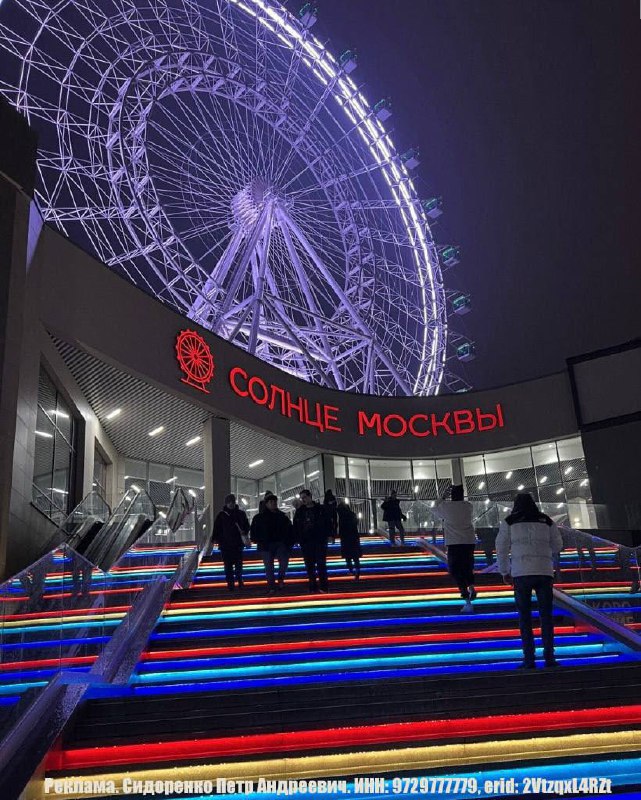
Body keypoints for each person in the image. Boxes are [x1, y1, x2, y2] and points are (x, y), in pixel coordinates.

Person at [496, 493, 563, 669]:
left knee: (524, 617)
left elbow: (501, 548)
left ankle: (529, 659)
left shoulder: (509, 521)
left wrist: (504, 571)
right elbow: (558, 545)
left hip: (521, 573)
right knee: (546, 616)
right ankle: (549, 657)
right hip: (544, 572)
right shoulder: (546, 520)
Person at [432, 485, 477, 612]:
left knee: (455, 570)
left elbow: (433, 508)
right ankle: (471, 586)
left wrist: (442, 497)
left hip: (454, 542)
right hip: (469, 541)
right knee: (467, 566)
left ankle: (467, 599)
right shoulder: (468, 506)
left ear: (451, 495)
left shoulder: (446, 506)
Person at [250, 494, 294, 593]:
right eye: (271, 502)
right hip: (266, 544)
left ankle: (279, 580)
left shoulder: (282, 516)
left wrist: (290, 541)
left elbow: (289, 529)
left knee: (282, 562)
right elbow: (254, 530)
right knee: (269, 566)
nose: (273, 503)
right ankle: (272, 585)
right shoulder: (260, 517)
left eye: (274, 501)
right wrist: (256, 539)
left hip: (279, 543)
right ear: (266, 504)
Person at [294, 489, 330, 592]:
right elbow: (296, 525)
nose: (303, 500)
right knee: (310, 565)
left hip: (319, 540)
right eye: (302, 498)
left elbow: (327, 522)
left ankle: (323, 586)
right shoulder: (300, 511)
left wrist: (329, 534)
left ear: (310, 496)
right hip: (306, 541)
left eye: (305, 497)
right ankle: (313, 585)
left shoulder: (320, 509)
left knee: (320, 564)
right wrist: (297, 538)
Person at [212, 493, 250, 591]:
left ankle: (237, 580)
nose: (231, 504)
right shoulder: (223, 515)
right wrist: (216, 539)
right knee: (230, 565)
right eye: (229, 502)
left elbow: (246, 525)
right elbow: (217, 528)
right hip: (227, 545)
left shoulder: (239, 514)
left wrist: (244, 531)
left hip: (235, 544)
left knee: (236, 565)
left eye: (232, 502)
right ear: (226, 503)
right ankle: (232, 583)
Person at [337, 501, 362, 579]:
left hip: (345, 538)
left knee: (347, 555)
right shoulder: (352, 514)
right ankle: (357, 569)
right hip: (354, 536)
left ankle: (351, 569)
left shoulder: (342, 516)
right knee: (355, 555)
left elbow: (341, 528)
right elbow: (356, 523)